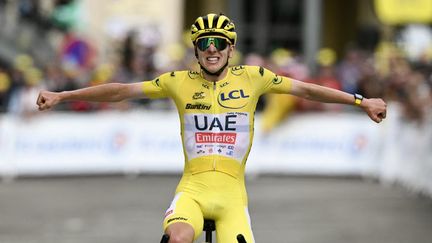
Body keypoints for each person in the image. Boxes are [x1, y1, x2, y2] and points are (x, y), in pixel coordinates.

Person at [37, 13, 387, 243]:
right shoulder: (176, 81)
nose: (211, 49)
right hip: (193, 188)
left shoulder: (255, 78)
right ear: (196, 49)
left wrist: (360, 101)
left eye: (219, 43)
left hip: (232, 194)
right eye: (204, 43)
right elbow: (120, 91)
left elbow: (308, 89)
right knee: (178, 238)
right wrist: (64, 94)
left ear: (231, 48)